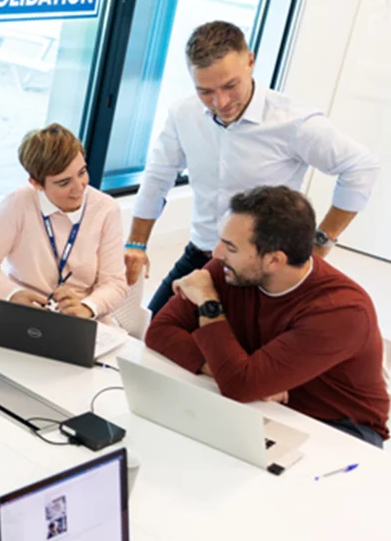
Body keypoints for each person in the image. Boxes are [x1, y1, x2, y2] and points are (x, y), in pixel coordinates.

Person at [124, 20, 380, 314]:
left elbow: (361, 168)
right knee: (153, 335)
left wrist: (320, 242)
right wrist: (137, 243)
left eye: (230, 86)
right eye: (205, 91)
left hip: (261, 272)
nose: (220, 102)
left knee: (228, 355)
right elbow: (158, 177)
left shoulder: (293, 122)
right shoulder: (184, 114)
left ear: (250, 61)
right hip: (201, 254)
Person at [146, 185, 388, 445]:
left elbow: (238, 385)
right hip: (261, 406)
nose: (216, 253)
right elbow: (159, 332)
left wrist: (208, 301)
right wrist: (238, 373)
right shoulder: (230, 268)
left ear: (274, 260)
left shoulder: (341, 312)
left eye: (230, 247)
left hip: (339, 428)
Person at [0, 124, 127, 319]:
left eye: (82, 172)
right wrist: (12, 293)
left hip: (79, 318)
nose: (79, 188)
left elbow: (115, 284)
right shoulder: (18, 202)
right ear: (36, 183)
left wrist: (87, 307)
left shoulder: (106, 209)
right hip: (25, 312)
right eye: (64, 182)